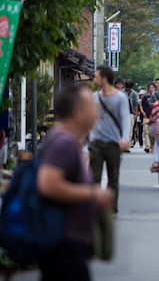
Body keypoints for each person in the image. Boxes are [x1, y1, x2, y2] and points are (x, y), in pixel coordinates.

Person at [37, 83, 112, 281]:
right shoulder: (64, 142)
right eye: (92, 107)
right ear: (78, 113)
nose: (97, 112)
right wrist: (93, 194)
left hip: (68, 243)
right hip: (64, 244)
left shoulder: (69, 140)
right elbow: (48, 184)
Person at [89, 66, 130, 218]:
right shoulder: (94, 97)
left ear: (104, 78)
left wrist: (125, 138)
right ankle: (94, 208)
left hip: (114, 143)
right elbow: (91, 118)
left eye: (96, 77)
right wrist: (88, 135)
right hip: (96, 142)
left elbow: (125, 119)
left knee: (113, 177)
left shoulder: (120, 98)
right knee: (94, 177)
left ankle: (112, 208)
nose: (94, 80)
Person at [141, 83, 157, 153]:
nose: (151, 89)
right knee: (146, 132)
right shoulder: (145, 97)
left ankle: (153, 146)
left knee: (152, 133)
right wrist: (142, 112)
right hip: (146, 116)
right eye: (150, 88)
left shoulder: (157, 96)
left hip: (154, 117)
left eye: (152, 87)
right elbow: (141, 104)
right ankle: (148, 146)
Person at [124, 79, 137, 149]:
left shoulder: (134, 93)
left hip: (131, 113)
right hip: (122, 114)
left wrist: (136, 114)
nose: (128, 89)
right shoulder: (121, 92)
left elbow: (135, 104)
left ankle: (127, 146)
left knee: (130, 130)